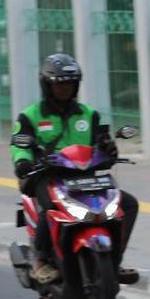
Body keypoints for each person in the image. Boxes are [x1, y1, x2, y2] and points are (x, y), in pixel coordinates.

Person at [11, 53, 140, 285]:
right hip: (47, 176)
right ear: (47, 85)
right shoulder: (30, 115)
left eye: (70, 83)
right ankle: (39, 260)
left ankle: (115, 259)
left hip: (85, 175)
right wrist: (23, 162)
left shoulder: (89, 114)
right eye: (59, 83)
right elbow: (19, 143)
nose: (65, 88)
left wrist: (109, 148)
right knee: (49, 208)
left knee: (128, 204)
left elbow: (102, 140)